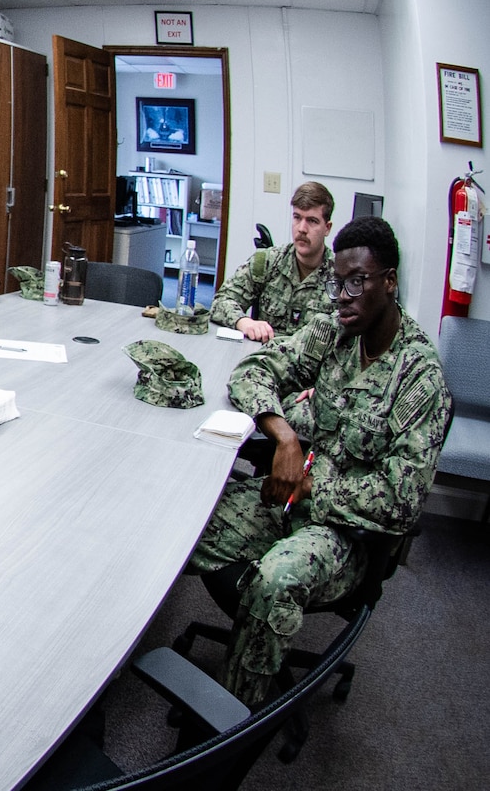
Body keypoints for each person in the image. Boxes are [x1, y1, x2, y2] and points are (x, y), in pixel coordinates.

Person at [186, 216, 448, 708]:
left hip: (348, 534)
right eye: (337, 282)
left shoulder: (419, 376)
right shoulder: (335, 331)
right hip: (291, 497)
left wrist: (309, 486)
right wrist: (283, 436)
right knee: (186, 520)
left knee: (274, 581)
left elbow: (402, 501)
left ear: (389, 282)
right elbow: (253, 371)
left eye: (357, 282)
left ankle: (224, 725)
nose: (343, 296)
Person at [212, 181, 337, 341]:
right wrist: (244, 322)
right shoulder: (267, 261)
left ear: (327, 228)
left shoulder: (340, 276)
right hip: (263, 358)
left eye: (312, 221)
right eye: (297, 217)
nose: (302, 229)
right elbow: (221, 301)